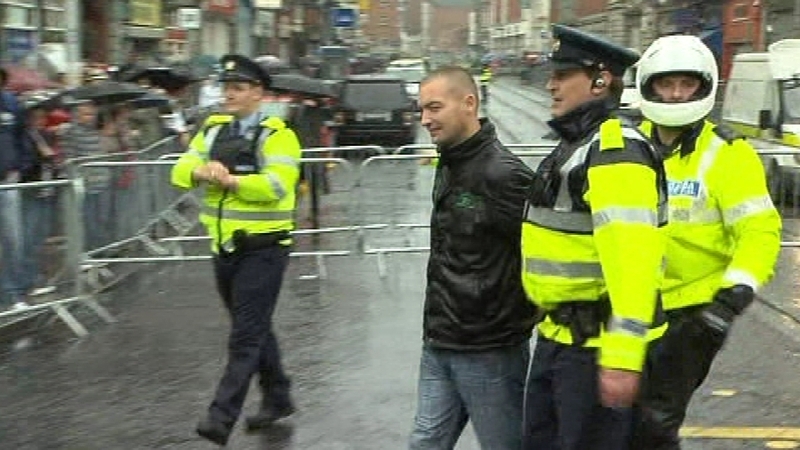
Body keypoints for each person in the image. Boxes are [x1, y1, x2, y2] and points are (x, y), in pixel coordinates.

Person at [629, 34, 782, 450]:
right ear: (649, 86)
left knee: (655, 422)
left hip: (691, 316)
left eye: (686, 84)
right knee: (614, 422)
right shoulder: (622, 144)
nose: (677, 95)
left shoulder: (729, 154)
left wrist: (732, 295)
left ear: (704, 86)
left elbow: (759, 229)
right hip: (627, 307)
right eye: (667, 84)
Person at [520, 24, 668, 450]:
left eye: (563, 75)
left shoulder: (614, 151)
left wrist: (622, 360)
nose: (551, 84)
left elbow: (633, 266)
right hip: (562, 340)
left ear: (600, 80)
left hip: (596, 350)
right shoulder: (579, 144)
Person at [170, 54, 302, 446]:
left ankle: (220, 416)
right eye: (227, 87)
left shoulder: (279, 135)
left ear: (258, 94)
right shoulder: (212, 131)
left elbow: (278, 186)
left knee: (245, 336)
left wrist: (233, 182)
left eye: (238, 88)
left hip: (264, 250)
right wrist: (200, 171)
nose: (229, 94)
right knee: (255, 327)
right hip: (224, 247)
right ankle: (278, 397)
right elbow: (178, 172)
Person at [409, 66, 537, 450]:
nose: (424, 120)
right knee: (426, 442)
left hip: (489, 350)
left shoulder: (504, 175)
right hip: (440, 339)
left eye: (434, 108)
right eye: (421, 110)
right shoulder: (450, 160)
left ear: (469, 104)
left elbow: (544, 251)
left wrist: (519, 315)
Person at [0, 67, 34, 310]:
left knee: (13, 239)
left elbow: (23, 135)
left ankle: (13, 293)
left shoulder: (11, 104)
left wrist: (20, 166)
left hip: (7, 181)